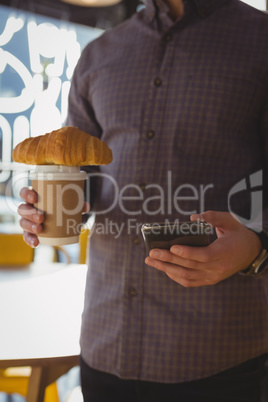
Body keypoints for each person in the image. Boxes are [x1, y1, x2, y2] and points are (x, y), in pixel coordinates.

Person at [18, 0, 268, 401]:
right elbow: (80, 175)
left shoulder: (260, 39)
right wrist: (48, 207)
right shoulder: (98, 54)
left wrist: (256, 247)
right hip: (104, 348)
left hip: (218, 357)